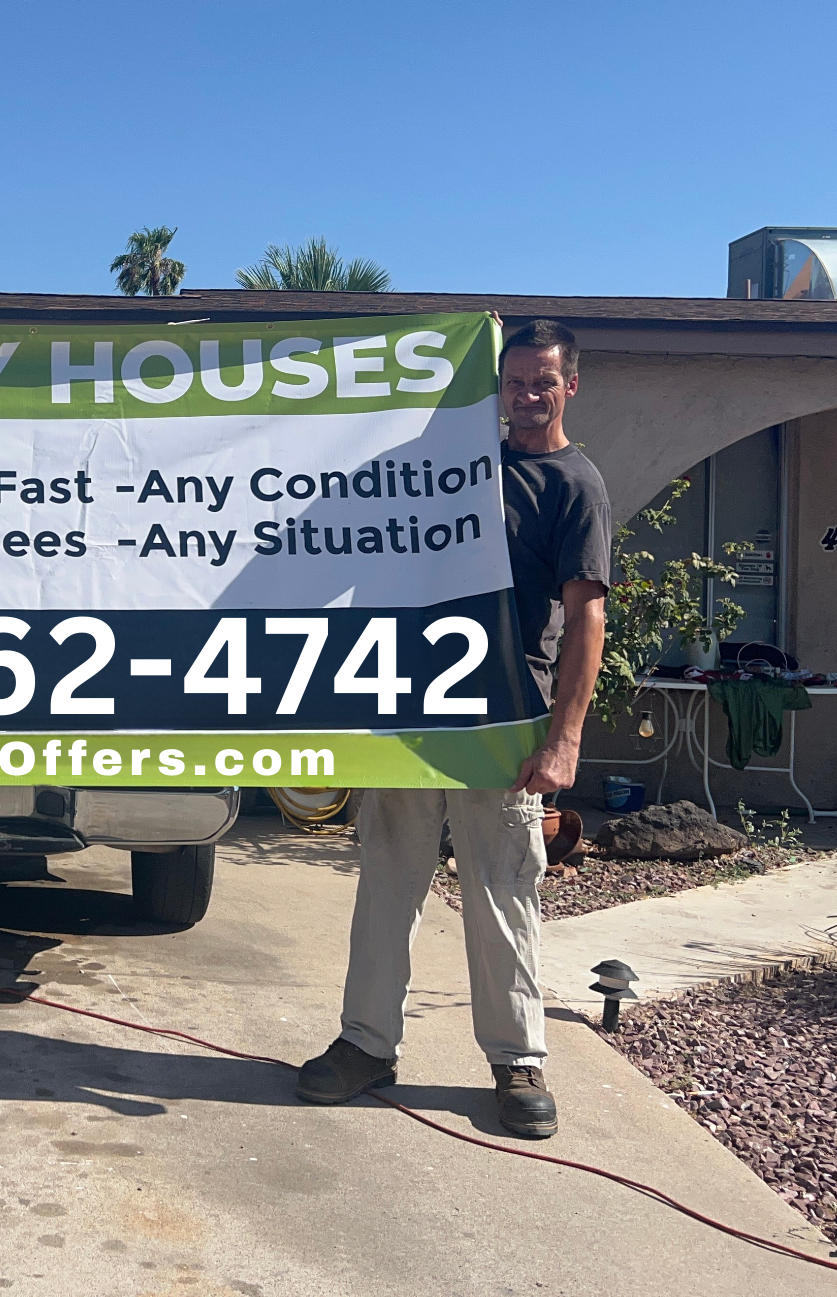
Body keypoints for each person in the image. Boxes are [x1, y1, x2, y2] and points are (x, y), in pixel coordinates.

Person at [296, 318, 610, 1139]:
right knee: (385, 883)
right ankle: (366, 1045)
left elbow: (587, 621)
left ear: (570, 384)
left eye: (544, 380)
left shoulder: (574, 485)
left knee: (502, 896)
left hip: (504, 723)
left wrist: (565, 738)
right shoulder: (448, 472)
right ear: (495, 386)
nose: (528, 395)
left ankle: (517, 1062)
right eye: (515, 381)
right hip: (410, 714)